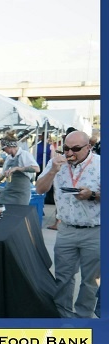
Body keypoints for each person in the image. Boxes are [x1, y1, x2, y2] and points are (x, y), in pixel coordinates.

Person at [35, 130, 100, 318]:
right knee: (63, 277)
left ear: (88, 147)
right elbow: (40, 189)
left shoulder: (100, 164)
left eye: (76, 149)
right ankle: (62, 317)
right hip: (66, 229)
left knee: (89, 280)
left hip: (95, 230)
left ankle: (83, 318)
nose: (69, 153)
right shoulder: (56, 163)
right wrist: (54, 170)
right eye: (66, 149)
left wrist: (92, 195)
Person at [0, 130, 39, 205]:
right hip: (9, 190)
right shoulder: (9, 158)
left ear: (9, 146)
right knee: (3, 211)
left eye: (3, 149)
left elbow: (37, 169)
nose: (4, 151)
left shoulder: (24, 154)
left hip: (21, 193)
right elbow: (2, 174)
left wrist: (18, 168)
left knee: (18, 213)